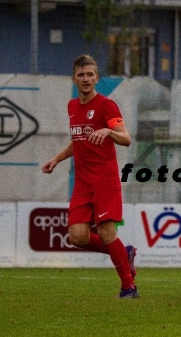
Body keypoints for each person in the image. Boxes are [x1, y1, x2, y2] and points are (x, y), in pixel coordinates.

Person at [42, 54, 139, 298]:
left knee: (106, 232)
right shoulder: (72, 106)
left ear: (97, 78)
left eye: (90, 74)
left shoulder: (107, 106)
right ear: (74, 78)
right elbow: (79, 141)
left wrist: (108, 131)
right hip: (83, 184)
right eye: (81, 75)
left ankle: (129, 287)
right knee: (77, 237)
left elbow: (126, 138)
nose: (86, 79)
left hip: (105, 181)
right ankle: (123, 252)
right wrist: (56, 159)